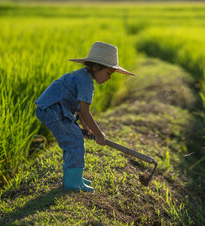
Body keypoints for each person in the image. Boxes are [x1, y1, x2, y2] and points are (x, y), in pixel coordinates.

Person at [35, 41, 135, 192]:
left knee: (74, 139)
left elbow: (81, 111)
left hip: (51, 108)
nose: (109, 78)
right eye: (108, 73)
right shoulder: (86, 81)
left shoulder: (83, 76)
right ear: (96, 67)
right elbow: (85, 111)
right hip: (53, 109)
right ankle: (72, 182)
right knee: (74, 141)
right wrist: (99, 134)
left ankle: (73, 177)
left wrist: (86, 129)